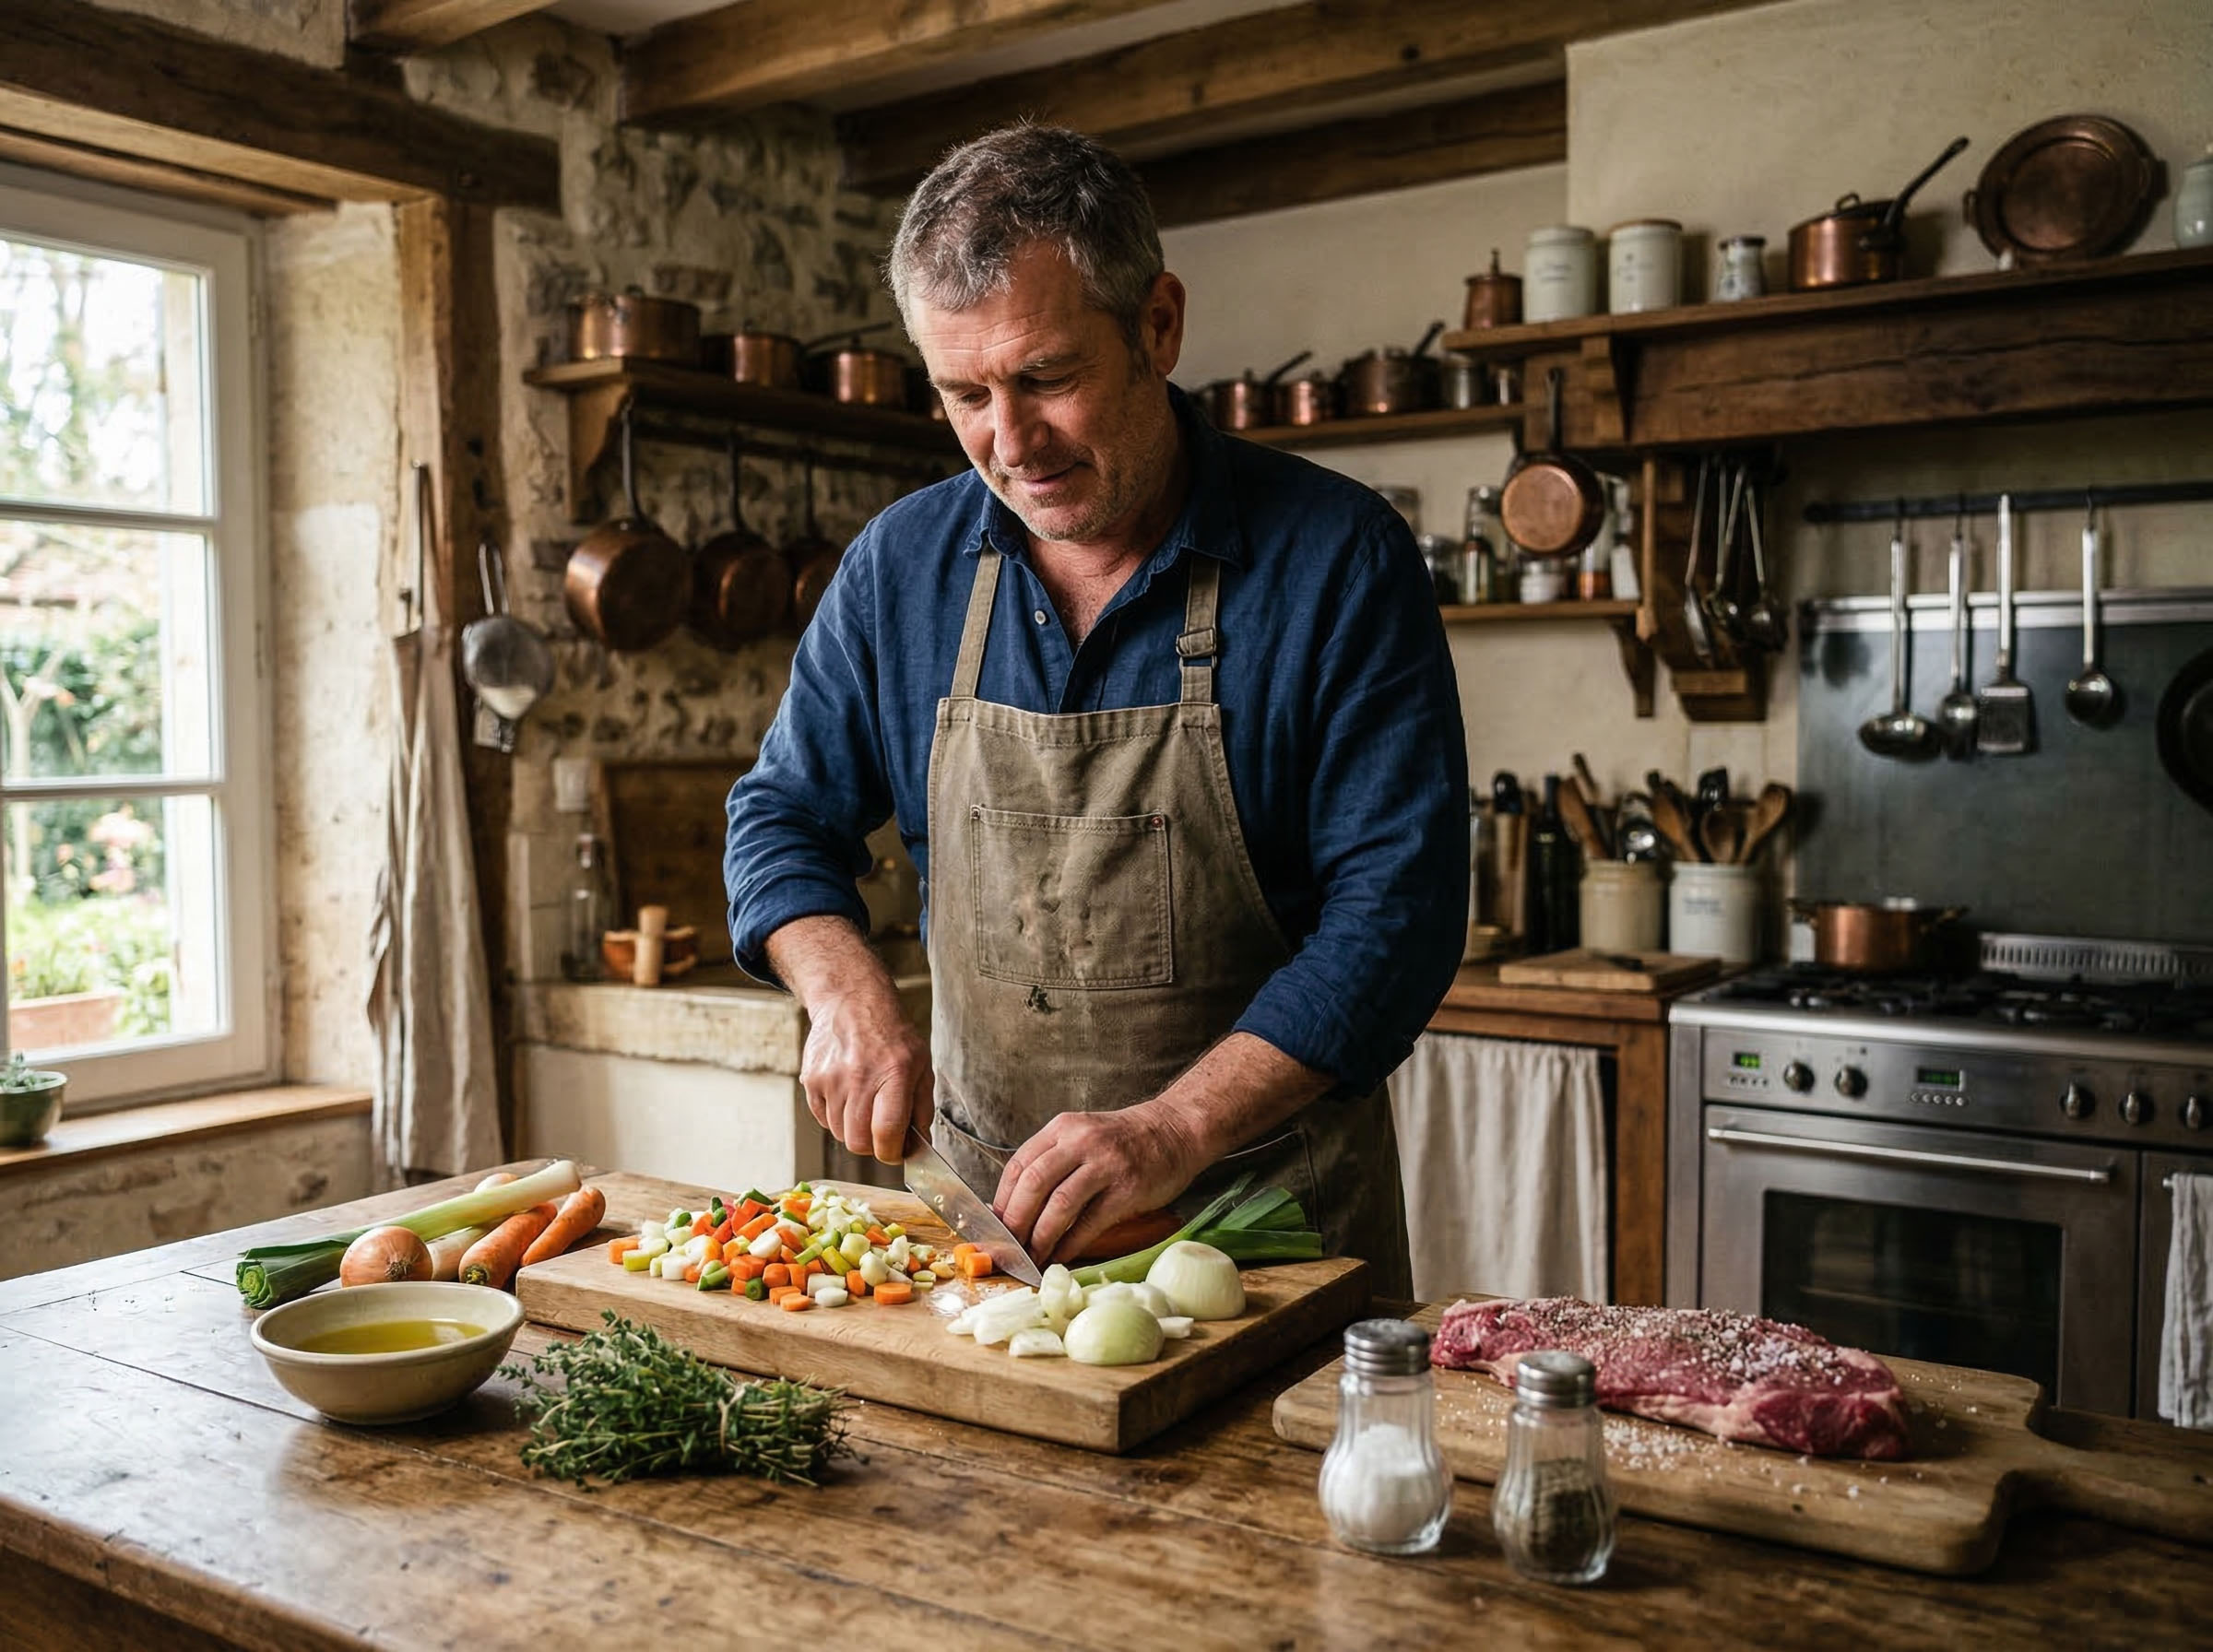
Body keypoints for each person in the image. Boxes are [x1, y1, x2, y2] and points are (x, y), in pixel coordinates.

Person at [724, 124, 1466, 1295]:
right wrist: (842, 992)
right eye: (964, 393)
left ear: (1158, 325)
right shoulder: (898, 569)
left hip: (1267, 1240)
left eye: (1047, 378)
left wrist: (1173, 1129)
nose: (1009, 443)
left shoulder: (1339, 559)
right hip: (988, 1247)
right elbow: (779, 817)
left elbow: (1398, 916)